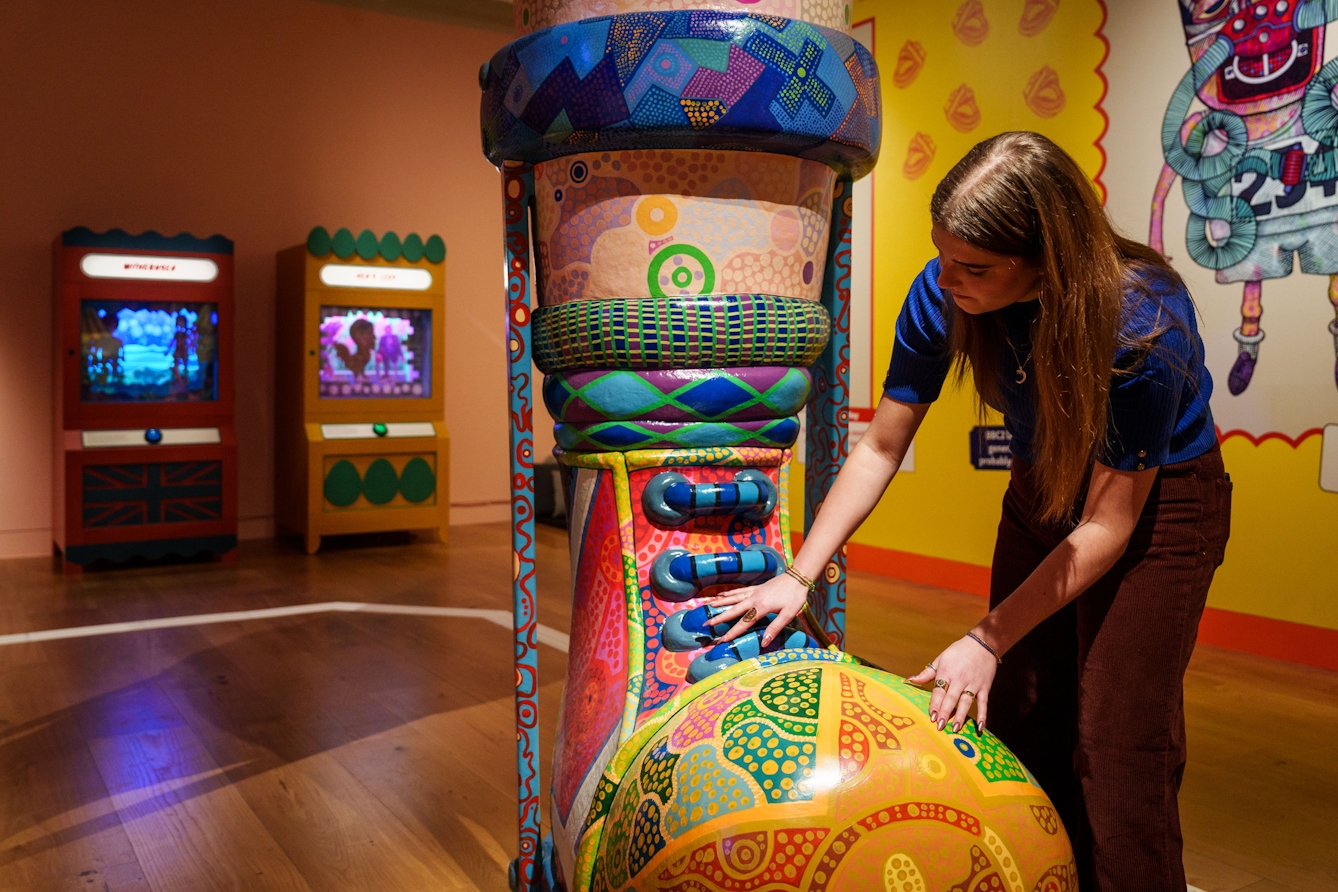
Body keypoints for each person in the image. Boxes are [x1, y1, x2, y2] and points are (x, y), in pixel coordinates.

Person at [706, 131, 1232, 891]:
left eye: (975, 267)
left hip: (1157, 512)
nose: (947, 278)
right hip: (1044, 489)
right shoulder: (944, 291)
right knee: (1021, 715)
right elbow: (882, 444)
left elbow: (1109, 527)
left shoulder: (1143, 324)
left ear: (1047, 258)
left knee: (1118, 744)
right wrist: (798, 572)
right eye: (942, 254)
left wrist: (986, 635)